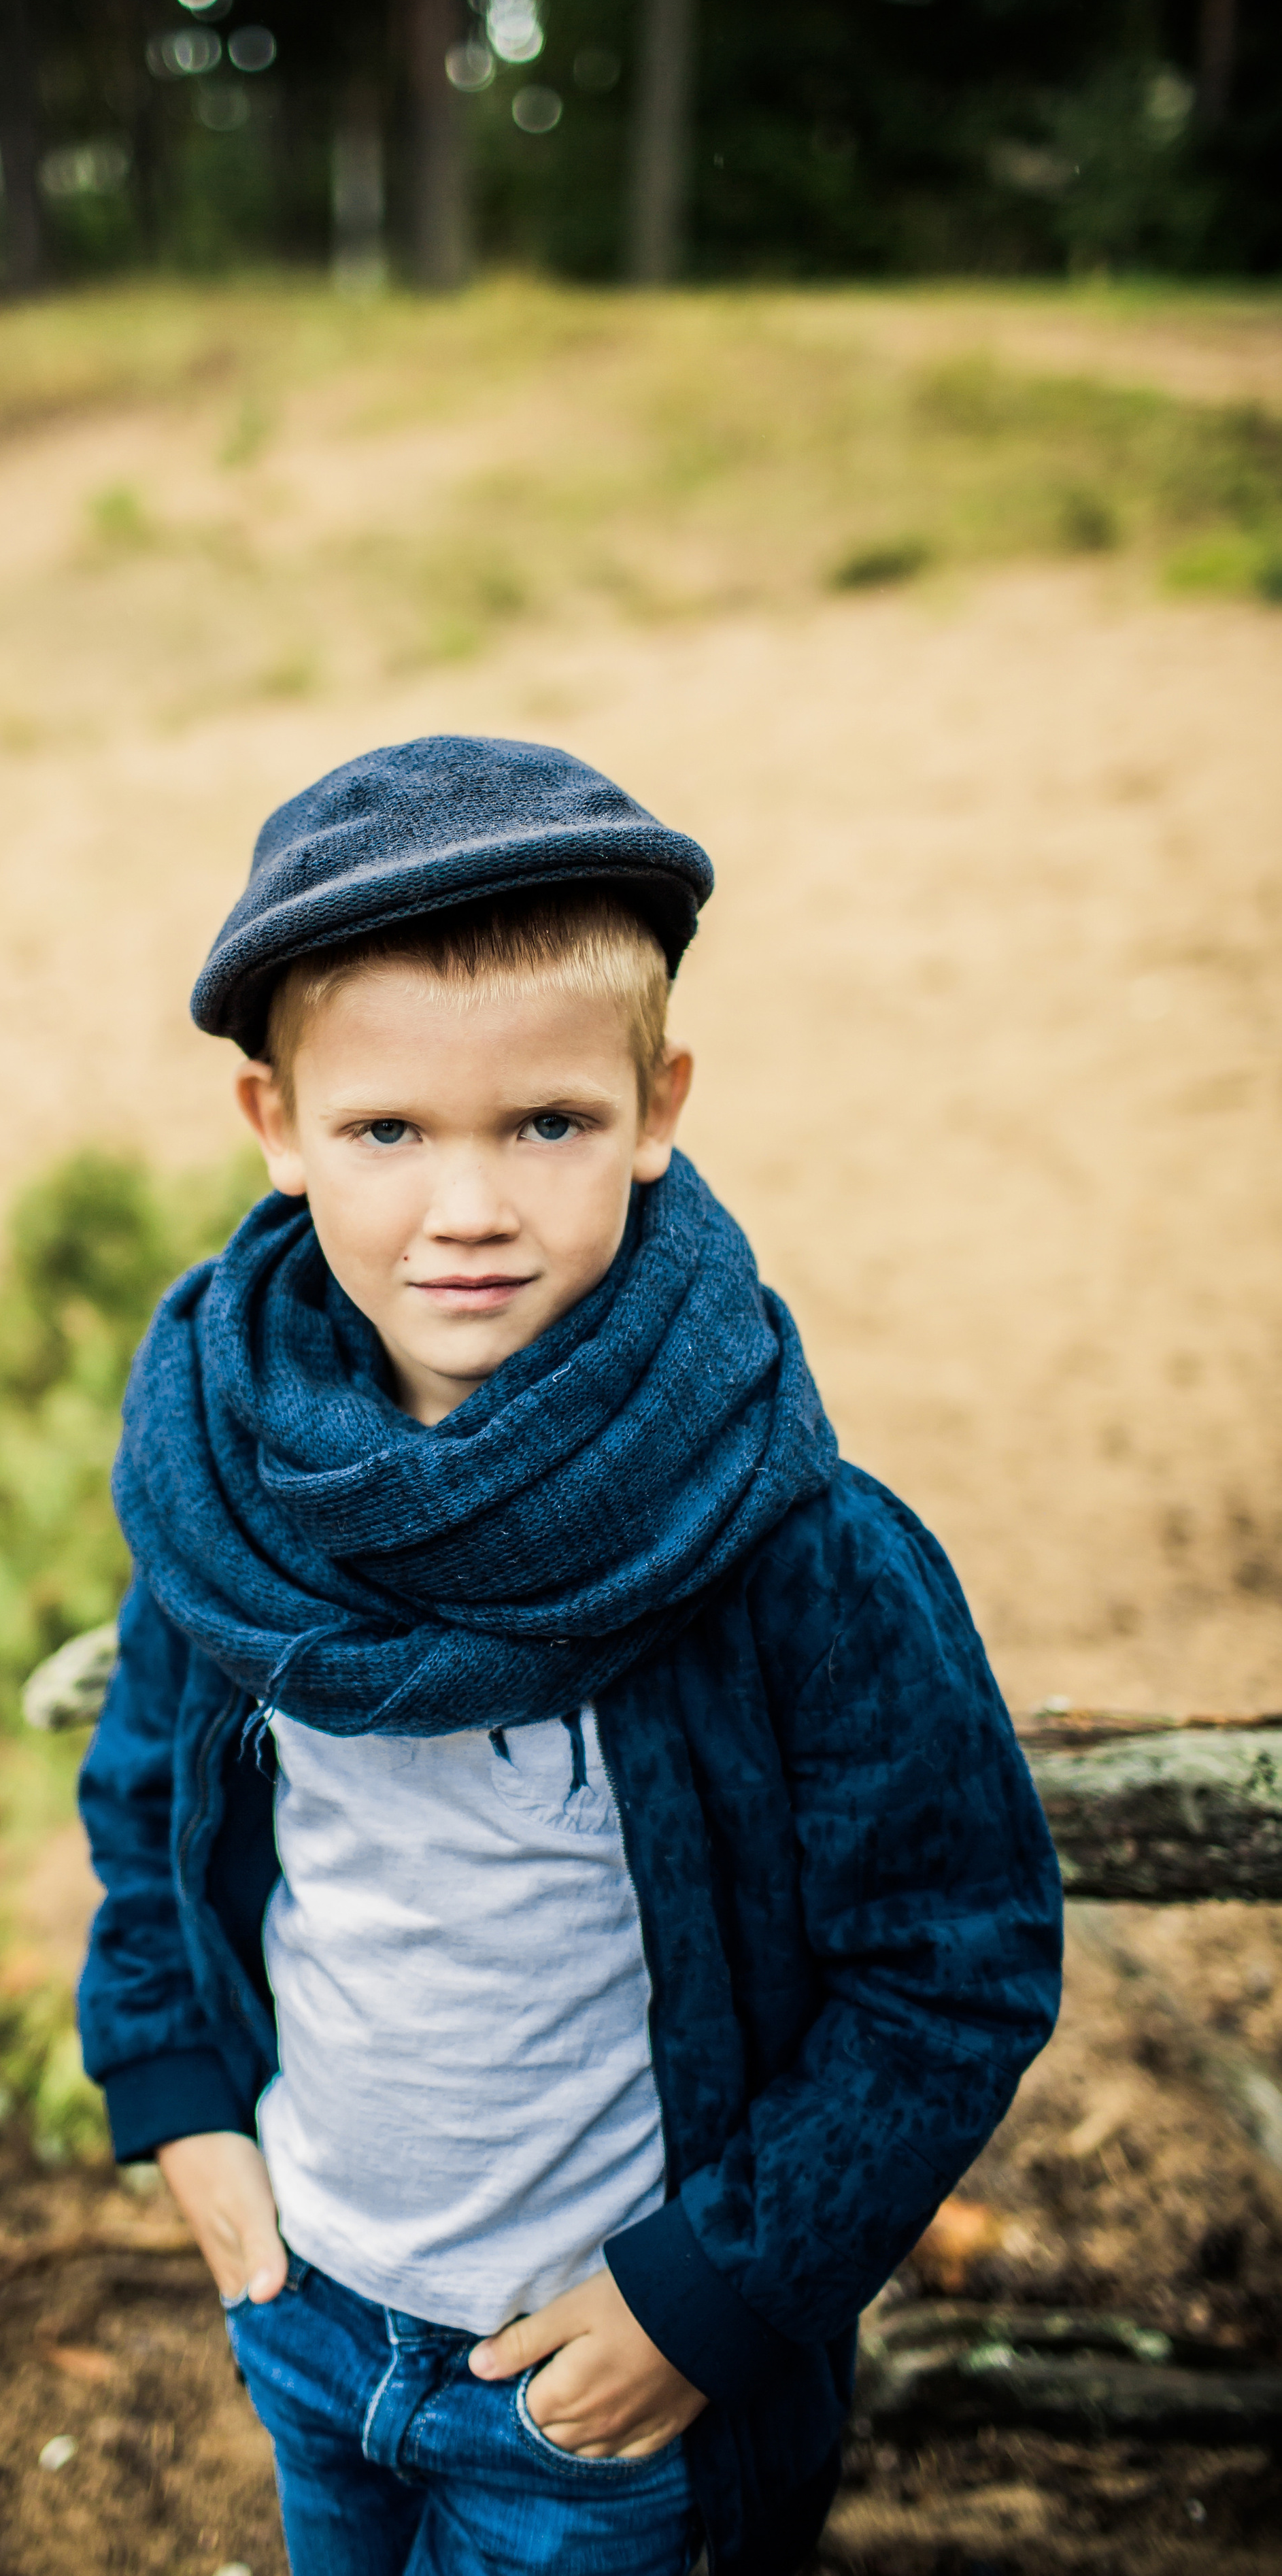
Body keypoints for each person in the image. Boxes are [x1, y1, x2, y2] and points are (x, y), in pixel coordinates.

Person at [77, 735, 1062, 2576]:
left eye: (547, 1124)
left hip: (596, 2385)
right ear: (277, 1129)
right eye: (388, 1131)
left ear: (656, 1104)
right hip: (311, 2300)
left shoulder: (785, 1542)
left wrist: (710, 2298)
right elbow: (150, 1800)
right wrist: (179, 2100)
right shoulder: (229, 1493)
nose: (469, 1208)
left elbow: (956, 1966)